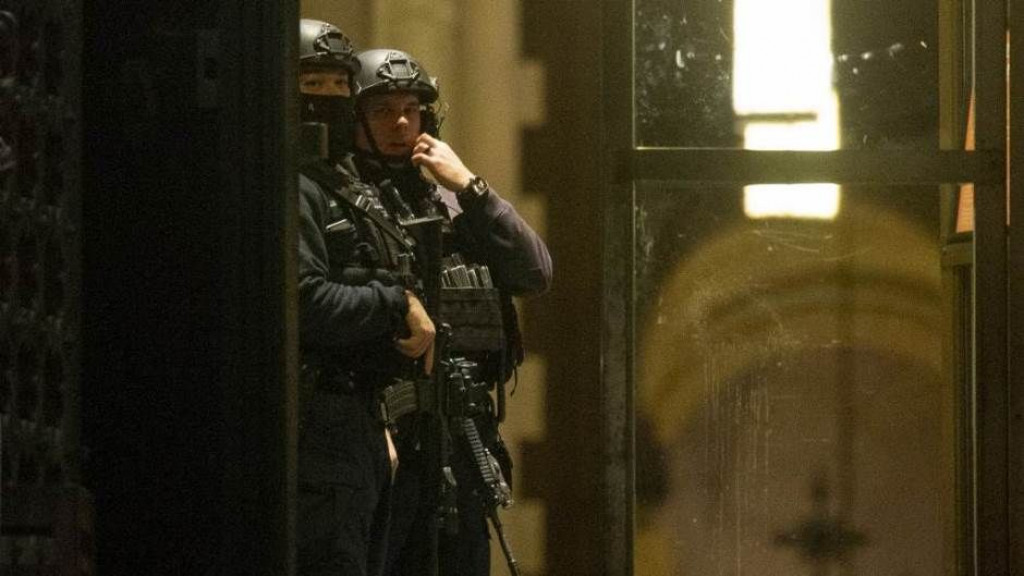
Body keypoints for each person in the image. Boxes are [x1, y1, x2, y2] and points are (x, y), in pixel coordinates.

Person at [349, 48, 552, 576]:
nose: (400, 123)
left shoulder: (450, 201)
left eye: (411, 110)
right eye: (382, 111)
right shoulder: (341, 201)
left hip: (459, 435)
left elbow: (534, 271)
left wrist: (469, 185)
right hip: (385, 441)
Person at [295, 20, 437, 576]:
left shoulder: (343, 186)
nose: (327, 98)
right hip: (319, 429)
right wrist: (395, 302)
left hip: (361, 424)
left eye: (338, 85)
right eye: (313, 84)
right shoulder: (293, 185)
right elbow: (303, 301)